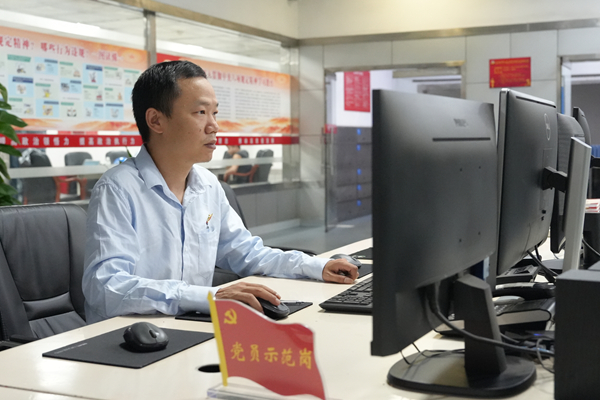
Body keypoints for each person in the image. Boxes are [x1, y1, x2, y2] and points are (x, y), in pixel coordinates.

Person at [82, 60, 359, 323]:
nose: (214, 126)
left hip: (191, 326)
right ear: (156, 121)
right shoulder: (118, 189)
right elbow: (106, 287)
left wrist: (317, 267)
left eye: (214, 113)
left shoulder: (207, 185)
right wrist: (208, 297)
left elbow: (247, 253)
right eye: (200, 113)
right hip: (128, 336)